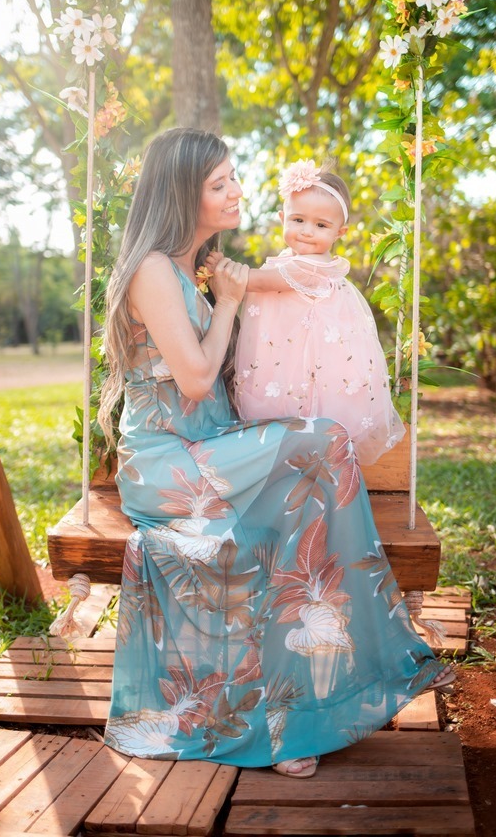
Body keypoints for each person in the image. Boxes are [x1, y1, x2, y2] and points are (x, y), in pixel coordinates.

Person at [99, 127, 454, 779]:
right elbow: (198, 379)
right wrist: (232, 301)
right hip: (167, 461)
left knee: (319, 459)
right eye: (220, 183)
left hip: (209, 446)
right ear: (183, 192)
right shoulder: (153, 268)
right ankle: (304, 708)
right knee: (319, 446)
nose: (236, 191)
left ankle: (308, 700)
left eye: (233, 179)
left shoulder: (185, 269)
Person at [229, 159, 405, 465]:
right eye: (298, 220)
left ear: (340, 232)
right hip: (287, 357)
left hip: (308, 370)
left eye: (321, 225)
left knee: (304, 422)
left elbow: (257, 281)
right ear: (282, 217)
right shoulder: (289, 260)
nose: (307, 232)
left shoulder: (313, 267)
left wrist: (224, 269)